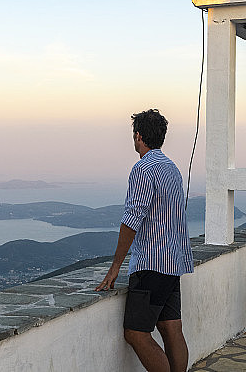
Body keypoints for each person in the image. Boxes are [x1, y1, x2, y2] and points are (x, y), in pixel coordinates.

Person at [95, 109, 194, 372]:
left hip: (151, 263)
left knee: (136, 333)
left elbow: (132, 219)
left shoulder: (142, 169)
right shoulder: (171, 169)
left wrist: (115, 266)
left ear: (138, 136)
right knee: (171, 327)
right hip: (174, 261)